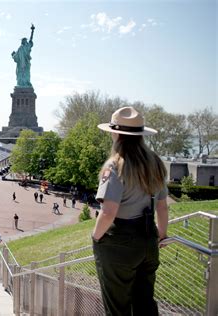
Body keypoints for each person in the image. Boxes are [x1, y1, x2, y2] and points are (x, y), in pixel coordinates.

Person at [91, 107, 169, 316]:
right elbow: (162, 205)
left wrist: (96, 237)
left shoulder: (115, 165)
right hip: (149, 239)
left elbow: (108, 212)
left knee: (118, 306)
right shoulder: (155, 162)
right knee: (144, 303)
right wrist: (161, 236)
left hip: (120, 243)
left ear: (116, 134)